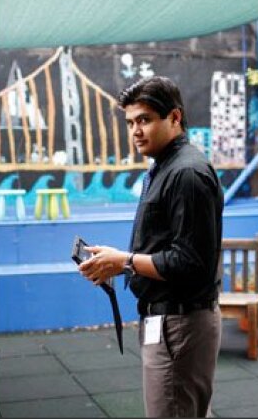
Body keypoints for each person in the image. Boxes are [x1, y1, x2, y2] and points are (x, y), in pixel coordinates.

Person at [78, 76, 224, 418]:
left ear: (174, 118)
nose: (135, 131)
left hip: (180, 323)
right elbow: (165, 246)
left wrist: (125, 261)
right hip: (172, 321)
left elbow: (190, 263)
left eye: (144, 120)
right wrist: (115, 262)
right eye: (130, 123)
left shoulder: (187, 173)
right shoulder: (165, 167)